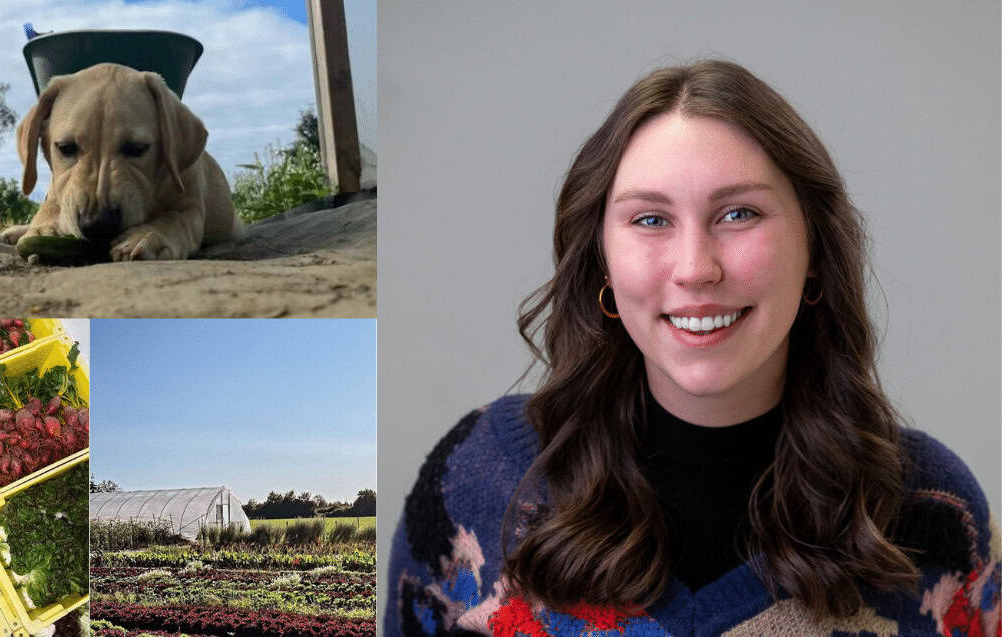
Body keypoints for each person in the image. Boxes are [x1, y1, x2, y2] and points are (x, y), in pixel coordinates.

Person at [385, 60, 999, 636]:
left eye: (738, 214)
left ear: (815, 251)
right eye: (650, 219)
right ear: (602, 257)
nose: (695, 269)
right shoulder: (475, 479)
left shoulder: (935, 513)